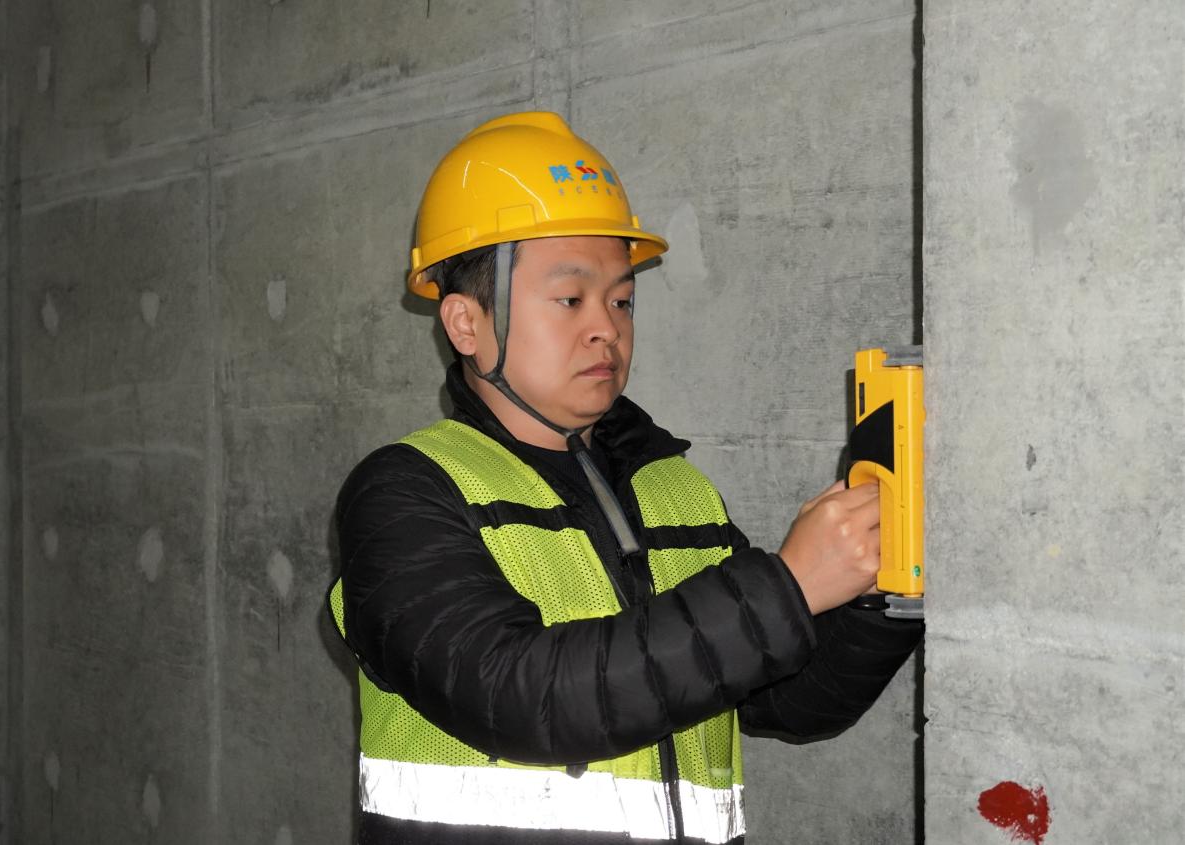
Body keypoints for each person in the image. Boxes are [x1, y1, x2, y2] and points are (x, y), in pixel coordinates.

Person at [328, 111, 922, 845]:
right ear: (465, 323)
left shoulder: (675, 490)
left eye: (621, 300)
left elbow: (787, 701)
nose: (606, 327)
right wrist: (789, 587)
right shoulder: (405, 493)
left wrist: (875, 589)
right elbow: (525, 697)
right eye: (570, 299)